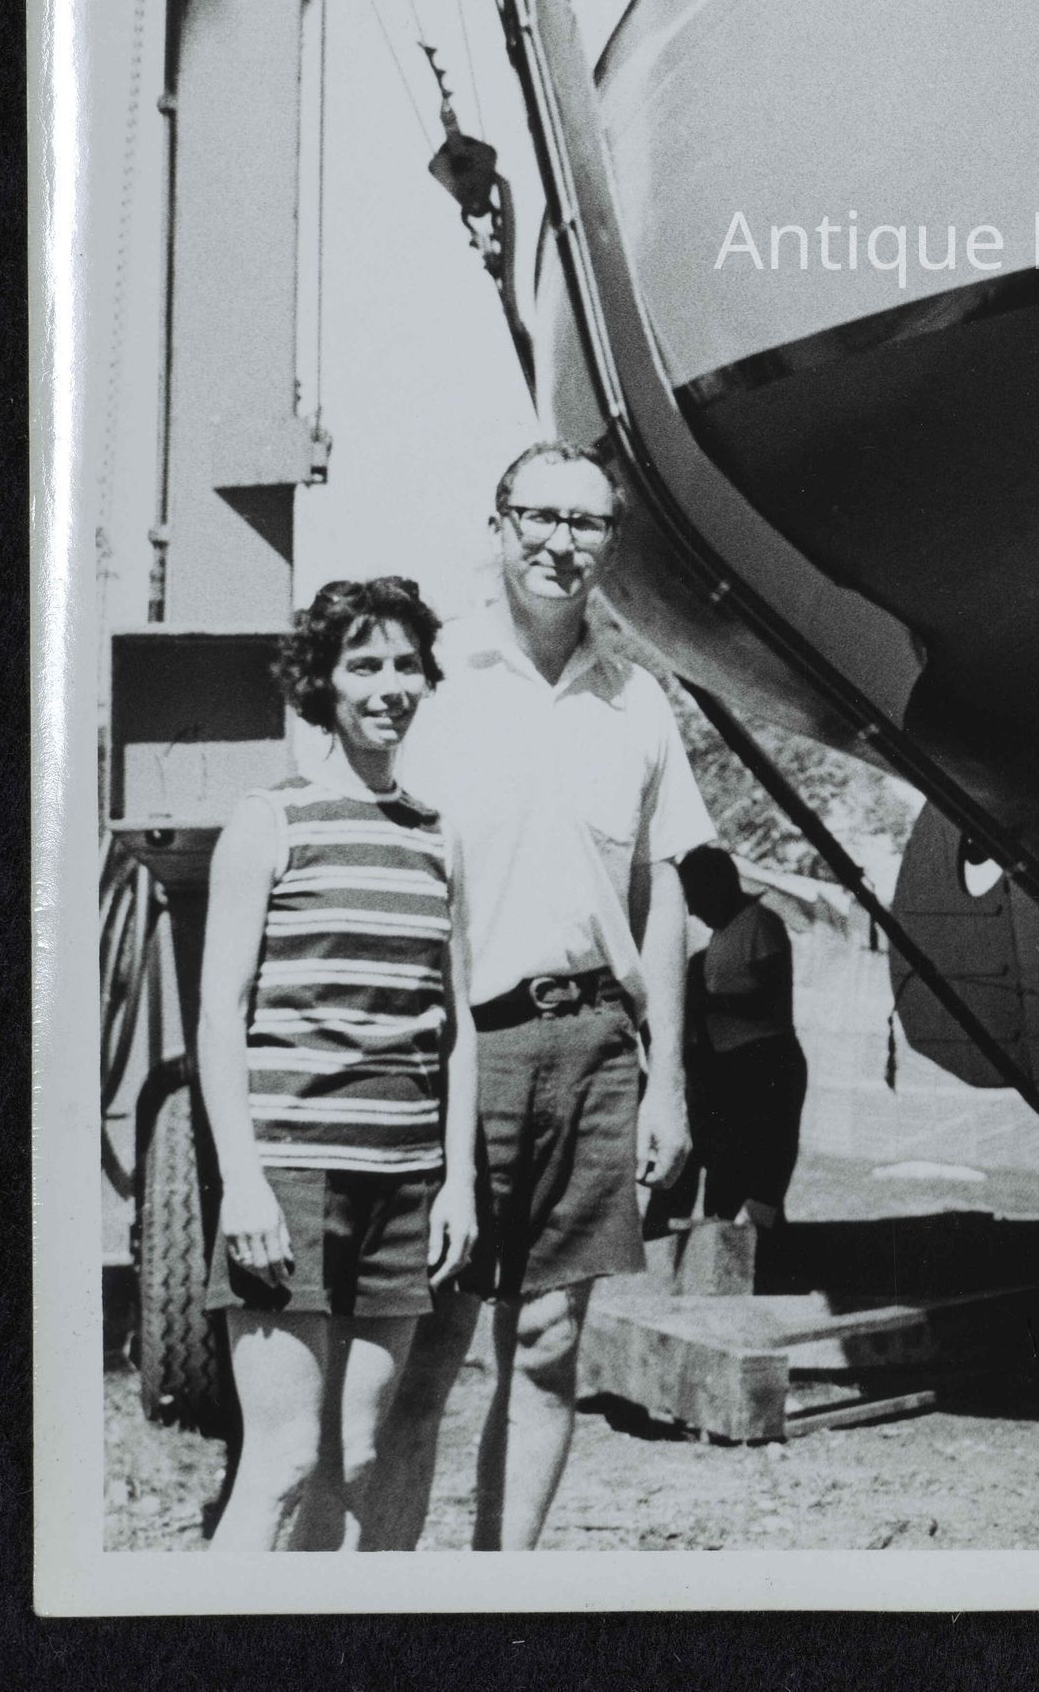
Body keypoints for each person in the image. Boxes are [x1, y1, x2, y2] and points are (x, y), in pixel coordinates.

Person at [366, 441, 719, 1551]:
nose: (562, 543)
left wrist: (667, 1083)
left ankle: (499, 1599)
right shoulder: (433, 679)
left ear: (610, 543)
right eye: (541, 517)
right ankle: (379, 1603)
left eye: (587, 523)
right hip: (460, 1051)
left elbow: (667, 888)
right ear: (500, 523)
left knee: (549, 1346)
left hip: (594, 1049)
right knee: (427, 1351)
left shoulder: (638, 702)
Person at [196, 579, 475, 1552]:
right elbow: (220, 1015)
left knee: (354, 1457)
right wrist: (243, 1182)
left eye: (406, 664)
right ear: (323, 681)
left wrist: (457, 1183)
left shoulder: (439, 835)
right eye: (364, 664)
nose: (390, 686)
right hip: (294, 1182)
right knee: (281, 1463)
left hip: (403, 1185)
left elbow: (453, 1025)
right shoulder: (269, 820)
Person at [642, 846, 809, 1240]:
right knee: (725, 1176)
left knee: (760, 1179)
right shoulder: (720, 937)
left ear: (717, 886)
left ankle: (761, 1255)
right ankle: (724, 1253)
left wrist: (706, 1001)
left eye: (695, 898)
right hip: (729, 1067)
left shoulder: (760, 925)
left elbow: (771, 1001)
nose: (692, 911)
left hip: (765, 1062)